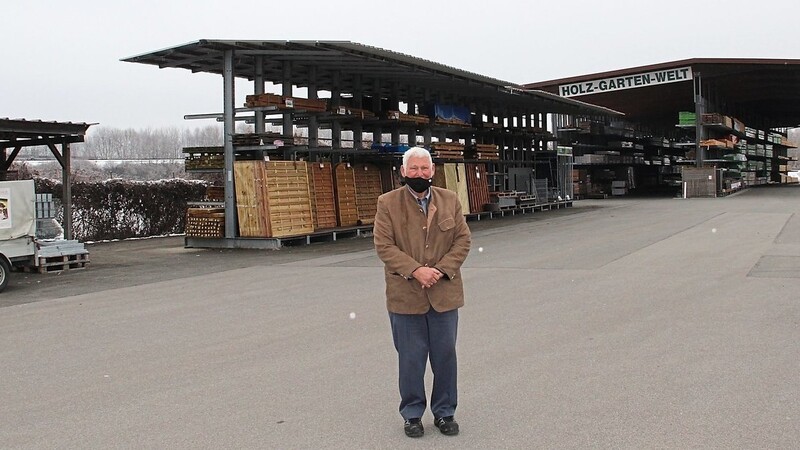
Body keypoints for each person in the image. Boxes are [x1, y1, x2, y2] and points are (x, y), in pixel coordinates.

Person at [373, 146, 472, 438]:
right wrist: (416, 270)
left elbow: (463, 241)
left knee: (445, 357)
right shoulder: (387, 203)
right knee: (411, 359)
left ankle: (445, 412)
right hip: (406, 295)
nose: (420, 174)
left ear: (433, 171)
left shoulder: (449, 200)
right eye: (413, 169)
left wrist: (440, 270)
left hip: (444, 293)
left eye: (424, 169)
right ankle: (412, 414)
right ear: (403, 172)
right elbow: (384, 246)